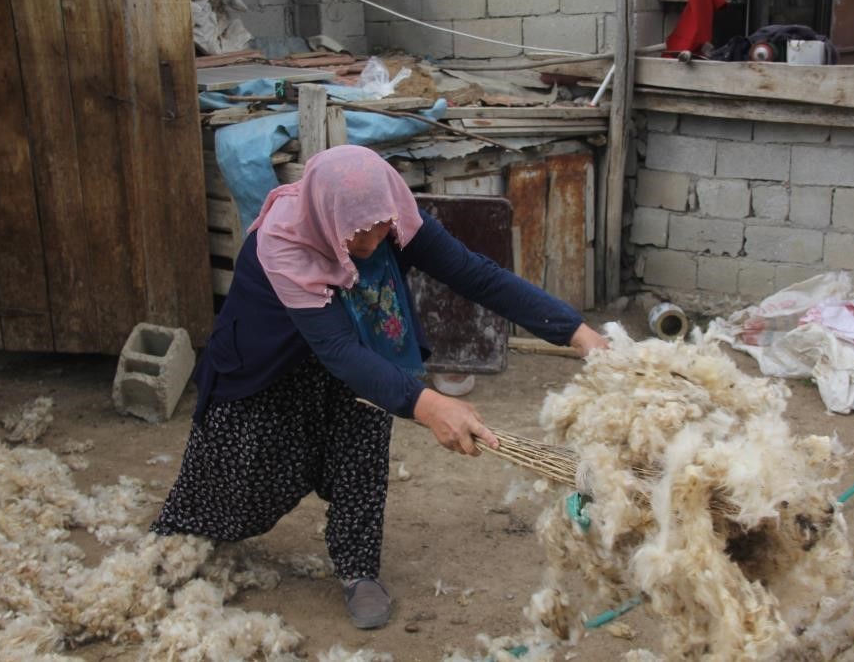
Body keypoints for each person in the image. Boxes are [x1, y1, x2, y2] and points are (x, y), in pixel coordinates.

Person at [151, 145, 607, 629]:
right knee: (242, 468)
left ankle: (358, 570)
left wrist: (578, 334)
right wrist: (430, 406)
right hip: (269, 358)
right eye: (355, 230)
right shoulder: (285, 242)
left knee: (362, 444)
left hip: (362, 343)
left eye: (379, 226)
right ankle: (181, 536)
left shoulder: (393, 218)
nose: (371, 241)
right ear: (328, 216)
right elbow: (337, 350)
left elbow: (477, 277)